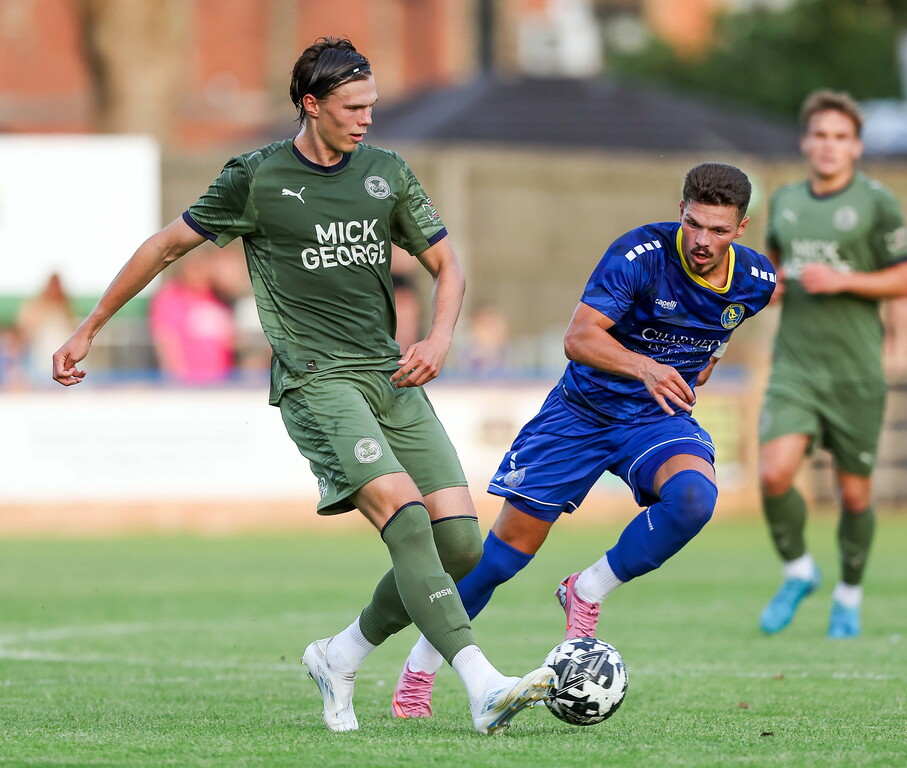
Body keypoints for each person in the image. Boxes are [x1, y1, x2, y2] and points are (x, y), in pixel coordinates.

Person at [52, 36, 553, 735]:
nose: (367, 118)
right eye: (352, 106)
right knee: (406, 519)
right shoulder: (255, 178)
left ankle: (340, 653)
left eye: (372, 105)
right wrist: (91, 326)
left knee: (463, 546)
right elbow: (166, 245)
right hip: (317, 381)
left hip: (392, 375)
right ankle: (483, 684)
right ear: (311, 105)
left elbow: (448, 264)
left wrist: (439, 337)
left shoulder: (385, 171)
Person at [391, 162, 777, 718]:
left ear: (740, 228)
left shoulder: (756, 282)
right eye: (694, 225)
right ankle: (417, 676)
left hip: (654, 419)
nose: (702, 241)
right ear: (681, 212)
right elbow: (578, 338)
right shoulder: (639, 256)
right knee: (499, 559)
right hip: (581, 413)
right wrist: (646, 366)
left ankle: (587, 590)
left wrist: (678, 376)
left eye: (718, 230)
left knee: (694, 498)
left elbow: (711, 344)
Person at [757, 90, 907, 639]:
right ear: (806, 142)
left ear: (857, 146)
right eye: (820, 136)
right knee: (774, 473)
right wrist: (768, 289)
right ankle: (799, 570)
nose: (829, 146)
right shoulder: (782, 201)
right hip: (795, 368)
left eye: (841, 137)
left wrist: (847, 280)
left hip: (855, 373)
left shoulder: (877, 203)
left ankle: (848, 595)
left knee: (854, 495)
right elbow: (768, 269)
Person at [148, 250, 236, 384]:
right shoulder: (171, 296)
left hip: (222, 384)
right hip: (189, 388)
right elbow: (167, 344)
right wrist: (178, 383)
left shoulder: (220, 298)